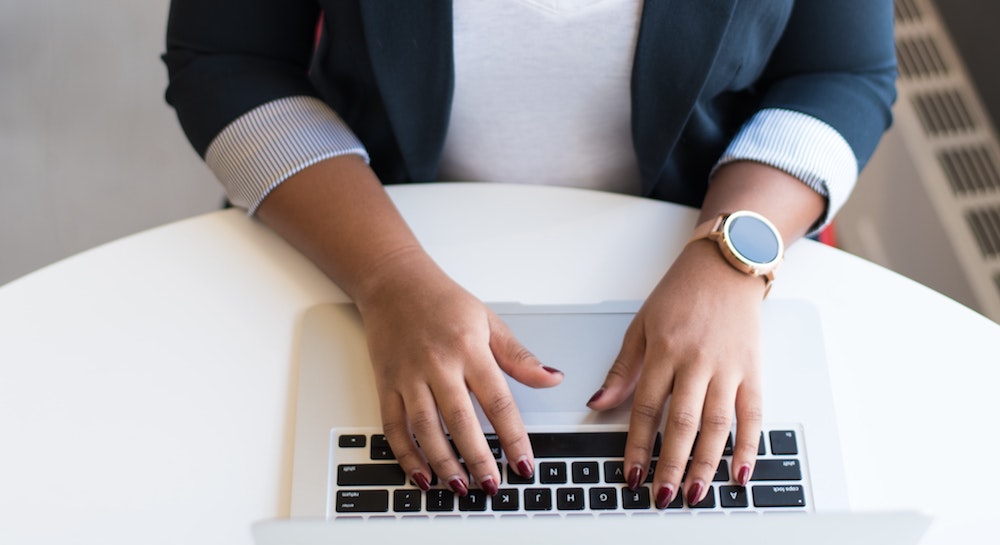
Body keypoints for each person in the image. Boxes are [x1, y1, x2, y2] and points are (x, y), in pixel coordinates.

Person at [162, 1, 896, 509]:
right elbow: (227, 60)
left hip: (689, 244)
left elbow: (841, 71)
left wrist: (729, 259)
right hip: (367, 226)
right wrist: (388, 277)